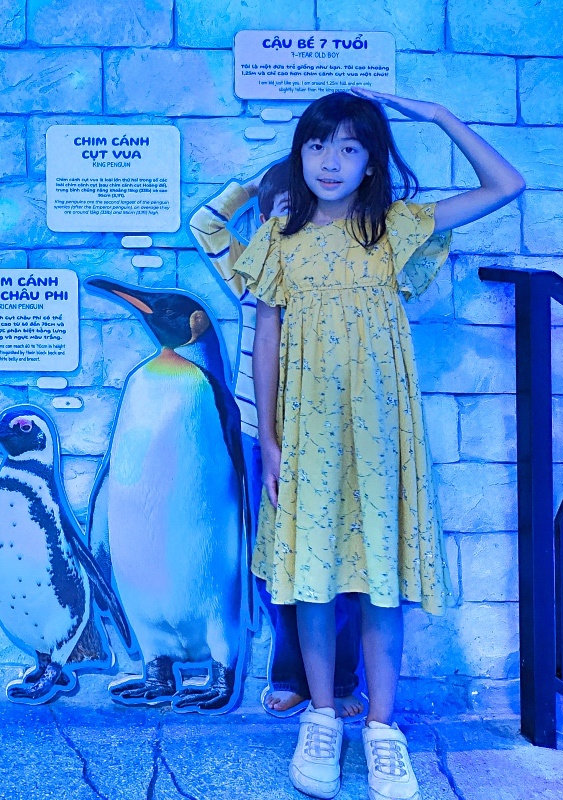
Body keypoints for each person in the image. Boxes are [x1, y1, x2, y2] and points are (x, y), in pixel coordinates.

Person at [233, 89, 524, 800]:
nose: (330, 162)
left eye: (350, 147)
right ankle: (324, 719)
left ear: (371, 162)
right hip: (304, 431)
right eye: (316, 145)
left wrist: (440, 114)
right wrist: (269, 438)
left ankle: (384, 732)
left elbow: (506, 185)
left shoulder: (395, 227)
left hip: (379, 433)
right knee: (308, 578)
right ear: (298, 154)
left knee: (377, 581)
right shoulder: (279, 235)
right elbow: (267, 334)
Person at [189, 161, 365, 720]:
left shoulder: (341, 266)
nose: (294, 219)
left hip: (333, 436)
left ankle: (339, 680)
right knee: (273, 566)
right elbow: (204, 224)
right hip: (256, 434)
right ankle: (290, 671)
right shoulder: (252, 269)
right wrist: (255, 182)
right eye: (282, 210)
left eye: (304, 208)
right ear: (263, 219)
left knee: (345, 563)